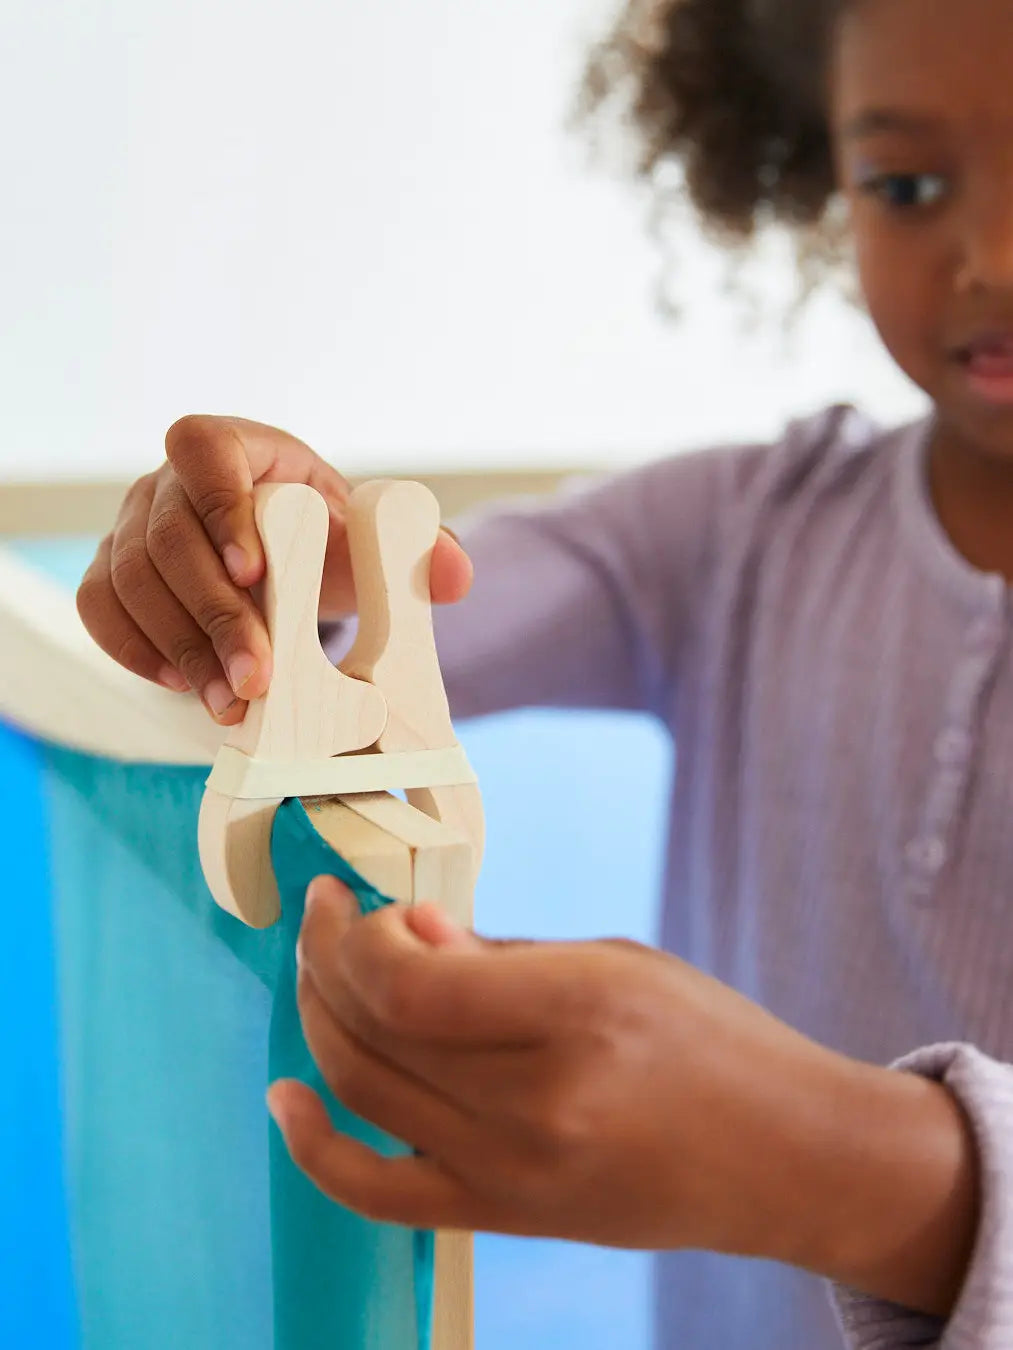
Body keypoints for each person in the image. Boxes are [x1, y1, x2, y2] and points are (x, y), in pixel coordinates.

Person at [76, 0, 1013, 1346]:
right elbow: (405, 613)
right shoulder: (743, 533)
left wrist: (828, 1159)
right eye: (907, 184)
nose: (983, 257)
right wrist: (265, 583)